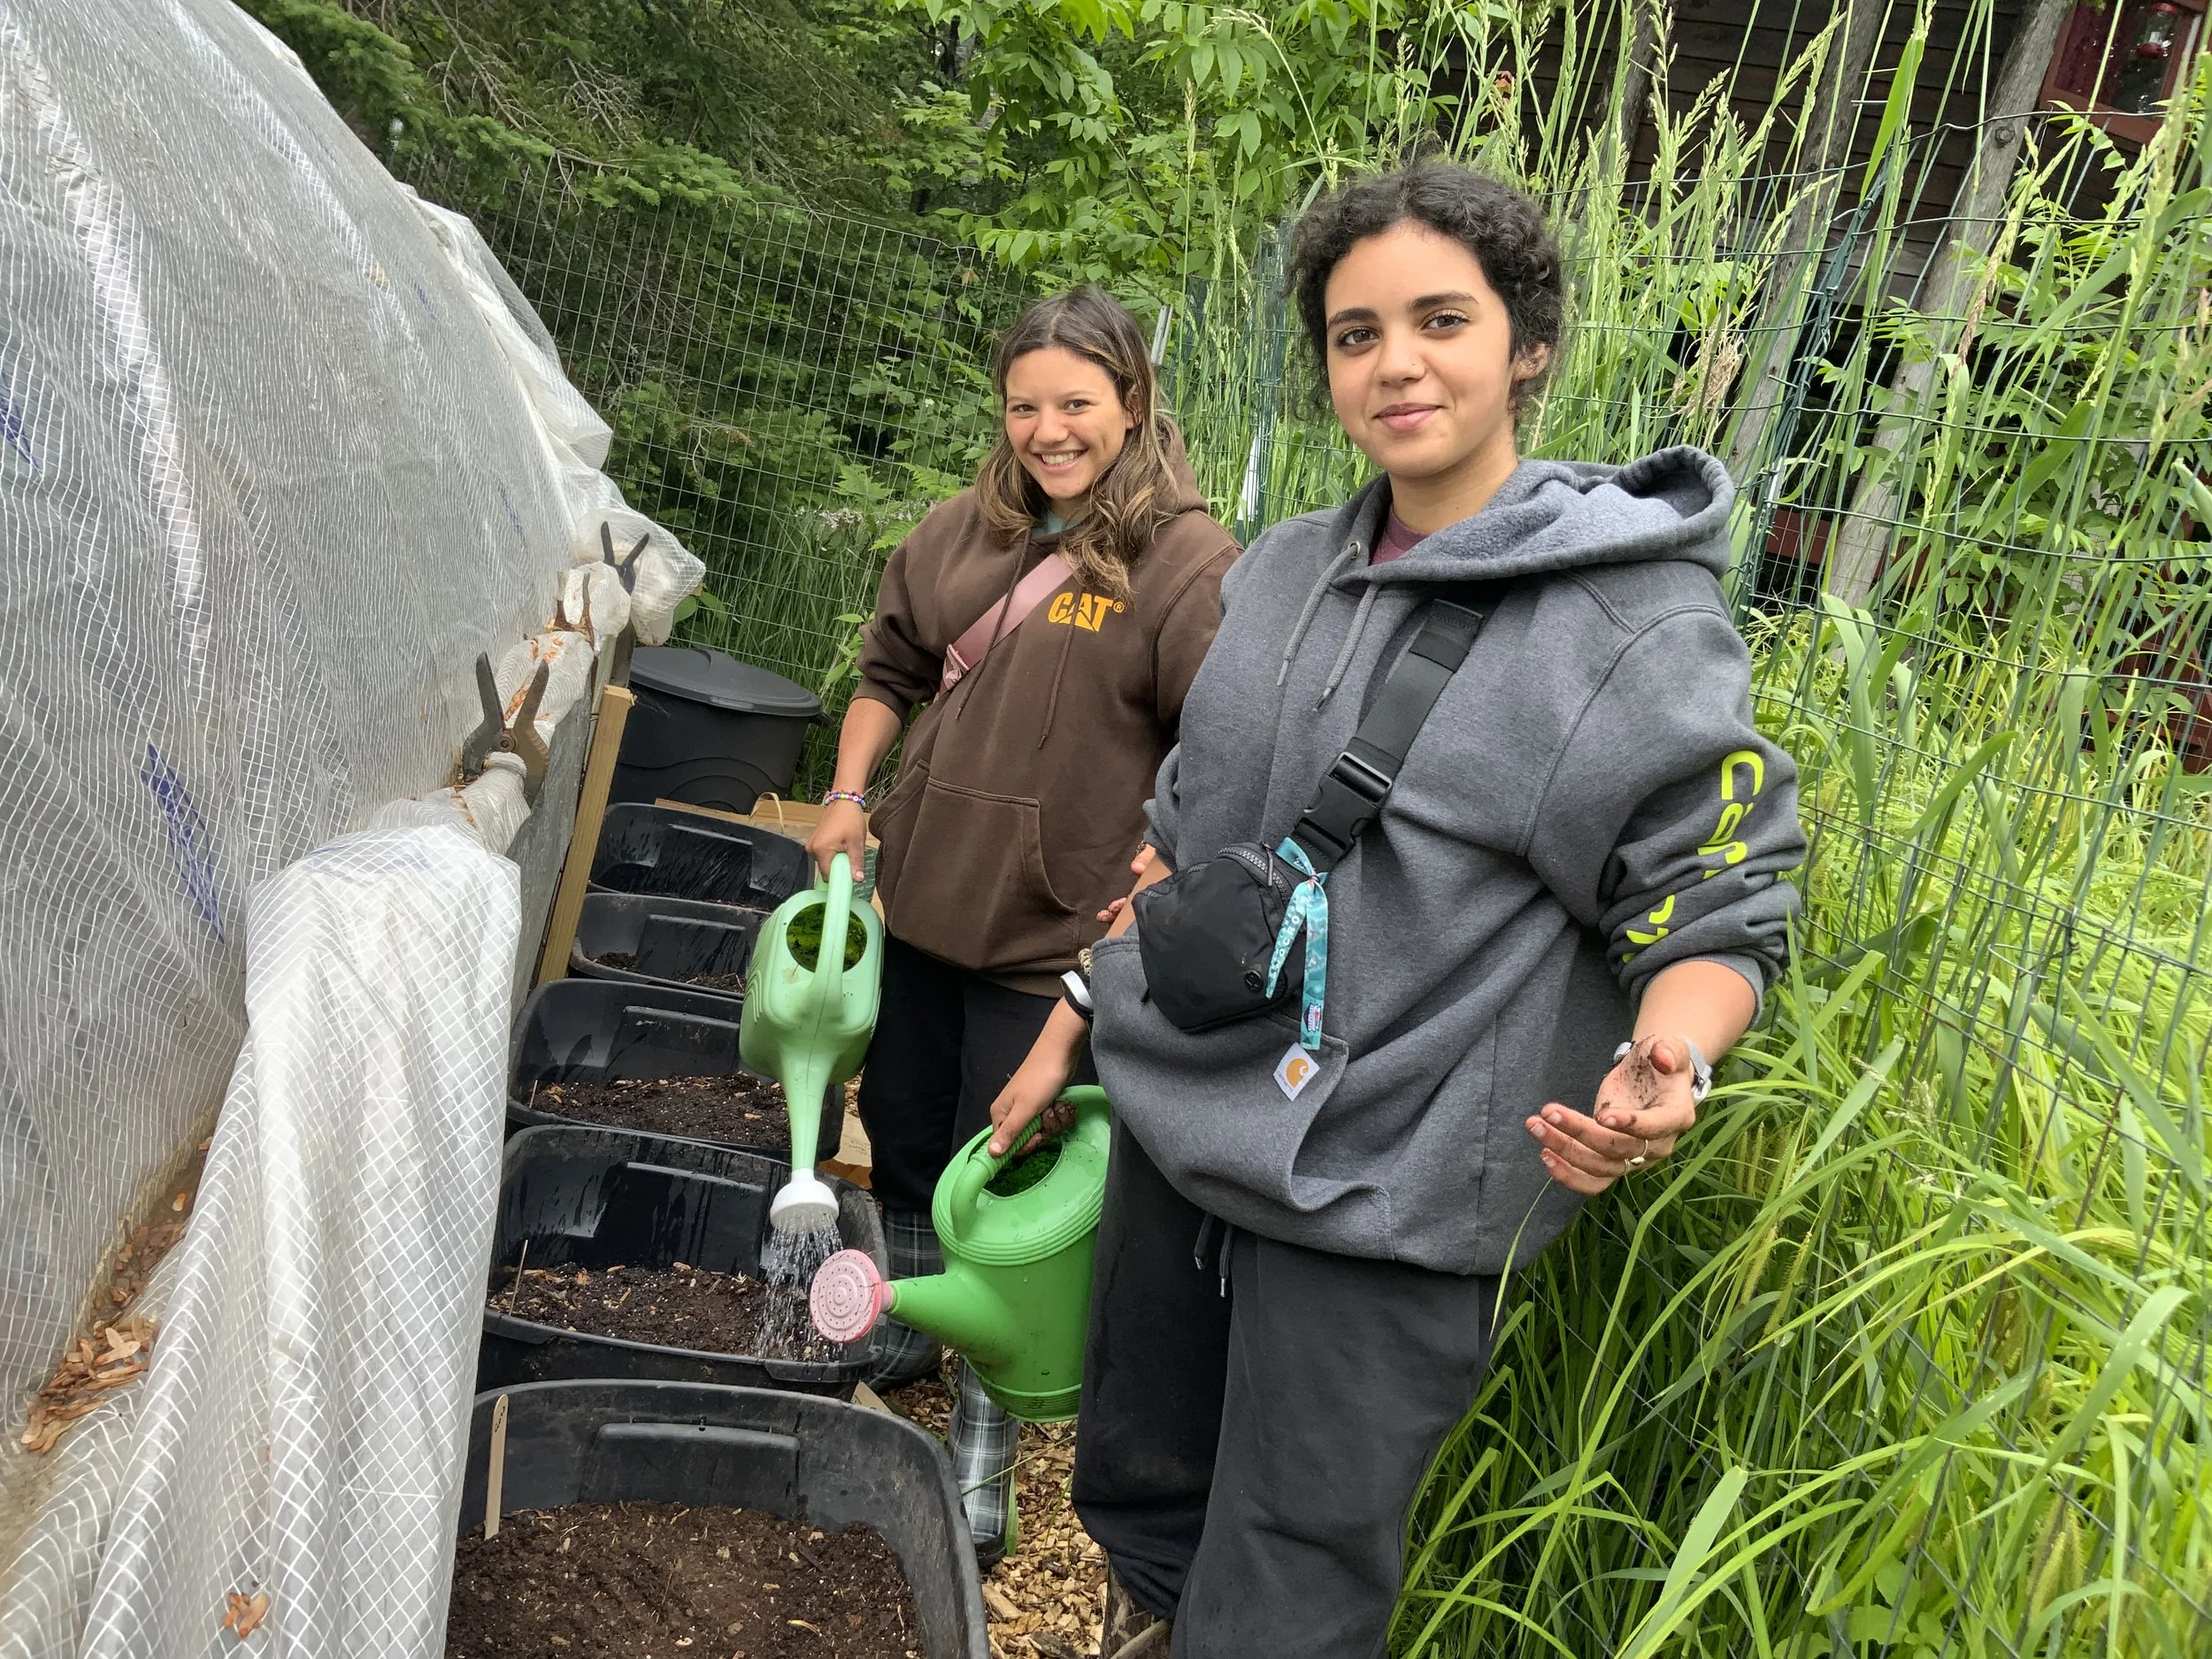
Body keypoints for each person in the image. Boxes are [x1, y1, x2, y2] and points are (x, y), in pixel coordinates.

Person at [985, 163, 1808, 1658]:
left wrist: (1673, 1054)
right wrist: (1072, 1028)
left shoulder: (1630, 624)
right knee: (1146, 1494)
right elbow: (1185, 841)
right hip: (1185, 1134)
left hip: (1389, 1193)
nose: (1396, 363)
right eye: (1356, 333)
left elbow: (1717, 891)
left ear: (1528, 344)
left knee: (1292, 1581)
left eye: (1442, 319)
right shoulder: (1288, 571)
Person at [807, 285, 1238, 1562]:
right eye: (1024, 405)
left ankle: (981, 1452)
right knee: (902, 1130)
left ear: (1132, 404)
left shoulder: (1188, 565)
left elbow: (1222, 755)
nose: (1049, 430)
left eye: (1077, 405)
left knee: (1003, 1192)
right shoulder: (962, 531)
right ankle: (914, 1321)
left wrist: (1152, 884)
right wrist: (843, 795)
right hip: (925, 912)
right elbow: (889, 667)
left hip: (1052, 949)